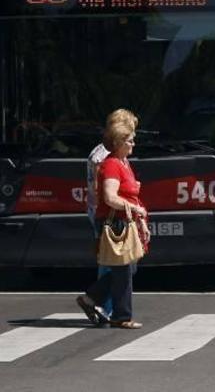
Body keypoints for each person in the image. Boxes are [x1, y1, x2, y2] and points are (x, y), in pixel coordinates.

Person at [76, 113, 149, 329]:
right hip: (115, 221)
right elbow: (110, 196)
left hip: (125, 219)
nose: (134, 143)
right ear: (118, 142)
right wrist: (135, 209)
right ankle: (121, 315)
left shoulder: (123, 162)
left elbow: (130, 194)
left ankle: (91, 300)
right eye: (130, 139)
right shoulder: (111, 164)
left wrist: (140, 217)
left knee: (127, 268)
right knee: (123, 269)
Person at [86, 109, 139, 321]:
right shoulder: (105, 158)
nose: (134, 139)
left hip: (116, 214)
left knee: (123, 266)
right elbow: (105, 192)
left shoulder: (120, 157)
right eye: (130, 134)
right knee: (115, 265)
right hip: (109, 216)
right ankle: (103, 307)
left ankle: (98, 302)